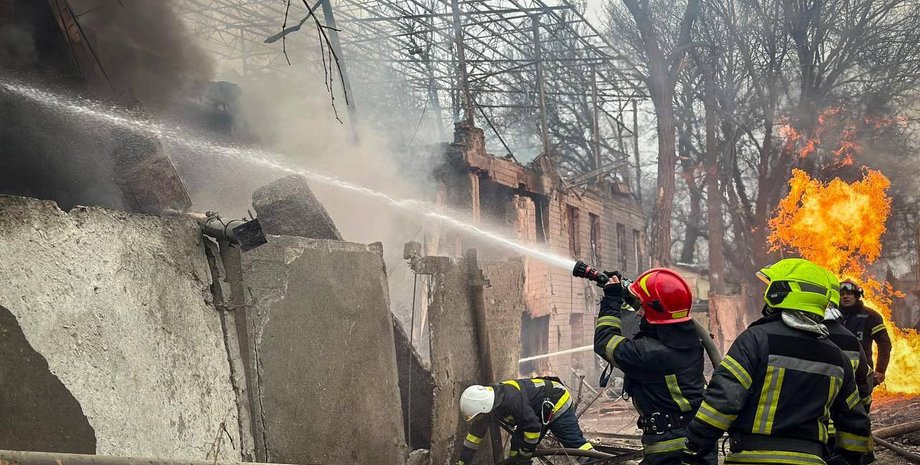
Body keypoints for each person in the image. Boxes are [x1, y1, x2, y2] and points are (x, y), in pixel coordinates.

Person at [682, 258, 872, 465]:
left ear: (782, 292)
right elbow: (855, 421)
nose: (765, 294)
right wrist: (846, 459)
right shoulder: (837, 356)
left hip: (751, 459)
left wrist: (695, 444)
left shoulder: (755, 339)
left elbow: (724, 399)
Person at [594, 268, 715, 465]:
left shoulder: (651, 353)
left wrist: (611, 300)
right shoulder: (689, 339)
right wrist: (627, 292)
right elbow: (656, 313)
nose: (638, 312)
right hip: (691, 444)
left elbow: (604, 342)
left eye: (642, 308)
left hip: (673, 452)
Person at [456, 377, 593, 465]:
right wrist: (462, 462)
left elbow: (533, 428)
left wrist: (524, 457)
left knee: (575, 446)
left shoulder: (511, 401)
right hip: (536, 411)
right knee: (516, 447)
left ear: (484, 408)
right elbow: (473, 438)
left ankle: (598, 461)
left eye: (478, 416)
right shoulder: (488, 405)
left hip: (557, 401)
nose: (478, 419)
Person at [838, 279, 892, 387]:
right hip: (837, 370)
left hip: (861, 373)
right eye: (842, 294)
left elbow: (884, 344)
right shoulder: (831, 314)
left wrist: (880, 370)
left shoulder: (871, 316)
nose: (845, 297)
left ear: (857, 296)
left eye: (849, 293)